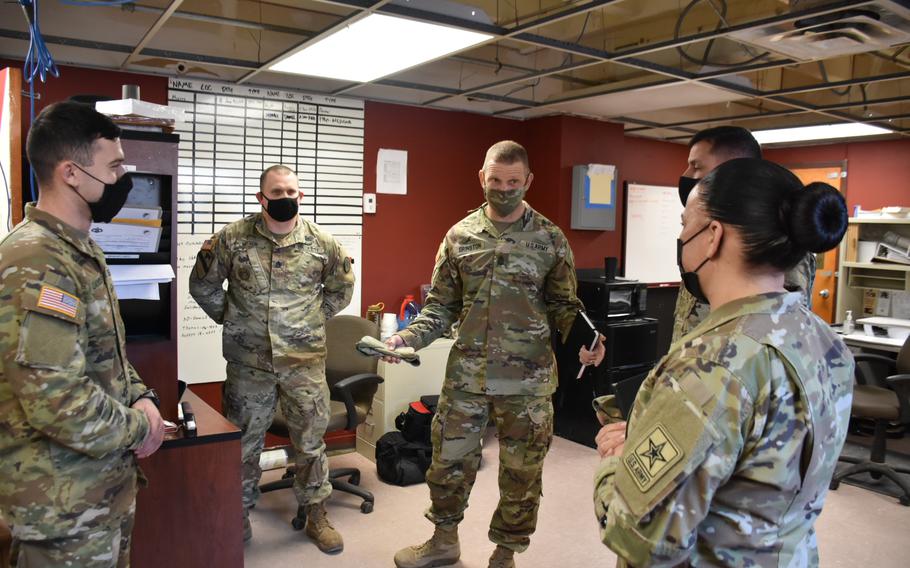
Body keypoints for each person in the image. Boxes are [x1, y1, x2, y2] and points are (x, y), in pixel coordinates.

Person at [592, 158, 854, 567]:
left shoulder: (711, 365)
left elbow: (641, 538)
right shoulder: (824, 341)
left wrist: (618, 461)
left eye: (684, 224)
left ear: (712, 236)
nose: (681, 237)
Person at [386, 140, 599, 568]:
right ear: (482, 177)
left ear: (528, 182)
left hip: (529, 380)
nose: (503, 189)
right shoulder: (459, 236)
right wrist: (407, 339)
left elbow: (565, 306)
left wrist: (586, 342)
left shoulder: (549, 238)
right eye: (496, 180)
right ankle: (444, 540)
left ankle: (505, 554)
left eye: (513, 182)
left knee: (522, 475)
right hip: (467, 376)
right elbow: (440, 307)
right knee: (448, 464)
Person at [0, 101, 165, 566]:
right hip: (61, 510)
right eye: (113, 167)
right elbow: (57, 401)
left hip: (99, 493)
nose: (122, 180)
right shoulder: (36, 259)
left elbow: (104, 354)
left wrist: (141, 395)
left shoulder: (81, 249)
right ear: (72, 173)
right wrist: (141, 428)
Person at [189, 164, 354, 553]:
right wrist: (233, 319)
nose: (285, 199)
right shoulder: (231, 239)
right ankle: (238, 515)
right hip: (250, 365)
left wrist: (309, 322)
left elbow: (341, 290)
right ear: (261, 198)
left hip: (304, 364)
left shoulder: (322, 244)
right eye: (276, 193)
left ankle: (316, 513)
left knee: (311, 443)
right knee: (244, 445)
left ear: (301, 195)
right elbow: (203, 285)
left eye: (291, 192)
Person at [672, 126, 816, 343]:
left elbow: (780, 331)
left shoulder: (775, 239)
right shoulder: (705, 234)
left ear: (732, 168)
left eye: (696, 166)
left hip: (733, 363)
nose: (687, 175)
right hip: (697, 360)